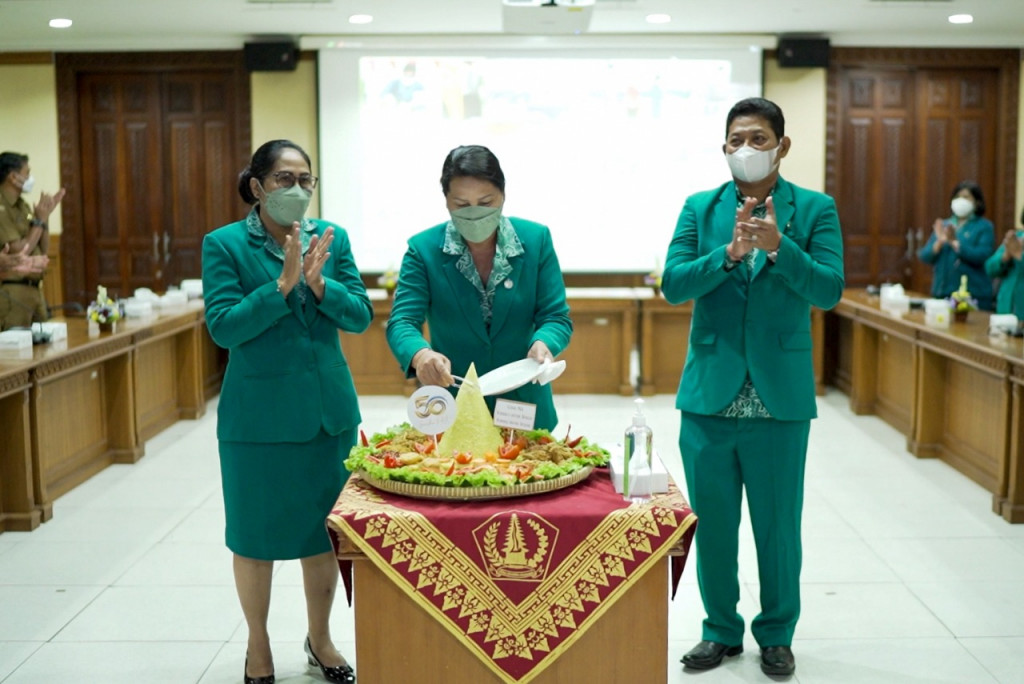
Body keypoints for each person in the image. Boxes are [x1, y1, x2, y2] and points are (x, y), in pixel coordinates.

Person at [662, 97, 844, 677]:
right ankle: (719, 630)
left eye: (758, 138)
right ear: (724, 148)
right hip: (710, 395)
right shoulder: (700, 208)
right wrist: (729, 253)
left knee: (777, 528)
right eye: (737, 139)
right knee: (713, 526)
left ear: (782, 146)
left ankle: (777, 633)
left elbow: (829, 290)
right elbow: (673, 284)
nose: (747, 148)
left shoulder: (814, 209)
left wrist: (779, 249)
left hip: (778, 398)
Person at [202, 140, 369, 684]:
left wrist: (320, 284)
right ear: (257, 186)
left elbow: (360, 315)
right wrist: (281, 287)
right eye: (283, 179)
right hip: (258, 423)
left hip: (326, 416)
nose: (296, 189)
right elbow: (224, 327)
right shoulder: (224, 244)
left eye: (305, 180)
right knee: (256, 540)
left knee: (322, 538)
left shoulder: (331, 237)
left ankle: (321, 640)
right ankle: (258, 646)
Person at [386, 144, 572, 431]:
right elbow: (402, 321)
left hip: (522, 403)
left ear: (503, 196)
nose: (474, 213)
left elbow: (556, 316)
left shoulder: (536, 240)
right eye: (462, 204)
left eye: (485, 202)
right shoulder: (423, 249)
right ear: (446, 201)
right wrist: (421, 355)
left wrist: (544, 341)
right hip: (452, 401)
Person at [0, 151, 64, 329]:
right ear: (13, 177)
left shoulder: (23, 205)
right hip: (13, 290)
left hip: (35, 288)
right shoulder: (2, 207)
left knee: (48, 342)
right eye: (27, 173)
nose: (30, 178)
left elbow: (43, 250)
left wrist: (44, 217)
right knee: (17, 345)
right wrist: (39, 221)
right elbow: (20, 252)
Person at [917, 180, 995, 310]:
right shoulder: (945, 225)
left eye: (966, 197)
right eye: (957, 197)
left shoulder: (984, 227)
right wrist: (939, 242)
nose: (960, 200)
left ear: (977, 202)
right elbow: (925, 256)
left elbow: (981, 256)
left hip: (972, 295)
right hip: (942, 292)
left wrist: (955, 243)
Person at [985, 206, 1024, 321]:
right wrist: (1005, 256)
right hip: (1005, 311)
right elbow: (990, 268)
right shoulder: (1017, 238)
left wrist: (1019, 256)